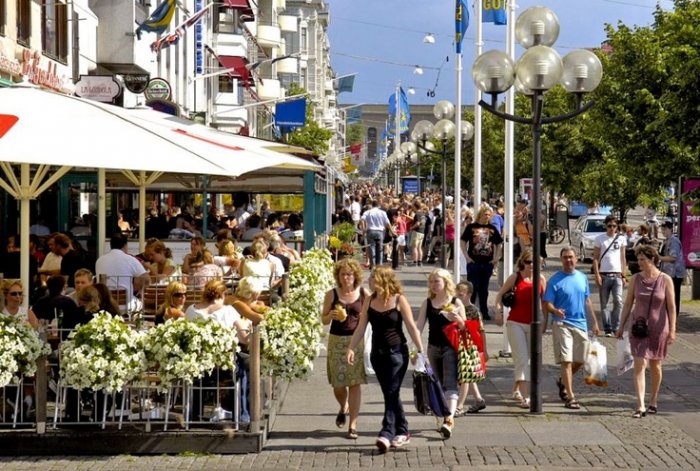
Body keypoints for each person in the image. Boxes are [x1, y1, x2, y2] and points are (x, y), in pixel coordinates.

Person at [346, 267, 425, 453]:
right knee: (391, 393)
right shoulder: (369, 300)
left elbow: (412, 327)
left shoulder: (399, 299)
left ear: (382, 279)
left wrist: (420, 350)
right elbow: (361, 326)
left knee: (391, 390)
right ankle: (403, 430)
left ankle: (387, 431)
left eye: (373, 277)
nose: (369, 280)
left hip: (397, 352)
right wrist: (351, 347)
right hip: (377, 353)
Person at [616, 245, 676, 418]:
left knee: (656, 365)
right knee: (640, 363)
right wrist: (621, 325)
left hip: (659, 328)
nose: (640, 262)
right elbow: (628, 303)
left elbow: (671, 307)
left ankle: (653, 399)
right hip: (638, 327)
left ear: (653, 260)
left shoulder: (665, 280)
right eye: (639, 259)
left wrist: (672, 329)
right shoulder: (635, 279)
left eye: (643, 259)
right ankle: (640, 404)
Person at [543, 247, 600, 410]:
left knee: (581, 359)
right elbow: (547, 303)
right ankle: (570, 396)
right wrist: (555, 311)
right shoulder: (555, 280)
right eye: (565, 257)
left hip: (580, 323)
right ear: (561, 260)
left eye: (571, 257)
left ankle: (562, 381)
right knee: (566, 360)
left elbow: (587, 300)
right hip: (562, 323)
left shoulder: (582, 278)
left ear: (576, 259)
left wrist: (594, 322)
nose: (568, 260)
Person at [321, 259, 368, 439]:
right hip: (336, 340)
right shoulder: (331, 294)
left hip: (355, 341)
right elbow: (323, 320)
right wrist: (330, 315)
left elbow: (374, 311)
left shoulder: (363, 293)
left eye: (349, 274)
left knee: (355, 382)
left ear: (355, 276)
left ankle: (353, 424)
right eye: (343, 275)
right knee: (338, 383)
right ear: (338, 277)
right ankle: (343, 406)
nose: (346, 278)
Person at [416, 268, 466, 438]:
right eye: (431, 281)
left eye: (436, 281)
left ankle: (449, 420)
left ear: (446, 282)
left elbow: (466, 327)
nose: (433, 285)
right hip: (433, 347)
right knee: (437, 384)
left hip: (451, 347)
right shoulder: (428, 303)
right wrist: (416, 349)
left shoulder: (455, 302)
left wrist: (457, 319)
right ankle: (446, 413)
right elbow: (419, 327)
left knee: (450, 383)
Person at [494, 249, 546, 408]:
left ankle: (516, 389)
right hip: (515, 322)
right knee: (522, 359)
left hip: (534, 323)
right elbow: (499, 296)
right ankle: (527, 397)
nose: (532, 265)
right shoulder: (515, 277)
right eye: (529, 262)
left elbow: (544, 302)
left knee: (531, 359)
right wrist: (498, 312)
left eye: (535, 263)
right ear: (523, 262)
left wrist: (545, 321)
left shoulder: (541, 279)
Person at [461, 206, 503, 321]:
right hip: (474, 262)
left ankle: (484, 311)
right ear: (481, 214)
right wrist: (466, 256)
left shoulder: (492, 228)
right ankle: (471, 311)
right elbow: (463, 241)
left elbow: (499, 243)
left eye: (489, 215)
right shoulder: (471, 227)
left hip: (487, 263)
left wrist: (496, 258)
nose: (487, 216)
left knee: (484, 289)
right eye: (485, 214)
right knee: (473, 287)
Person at [454, 281, 488, 414]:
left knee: (465, 375)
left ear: (469, 294)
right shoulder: (455, 307)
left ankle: (460, 405)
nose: (458, 298)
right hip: (459, 344)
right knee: (468, 373)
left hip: (469, 345)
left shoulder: (473, 310)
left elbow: (481, 330)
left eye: (461, 295)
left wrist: (483, 350)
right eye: (457, 295)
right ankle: (479, 399)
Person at [94, 233, 149, 313]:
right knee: (141, 304)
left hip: (105, 305)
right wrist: (135, 288)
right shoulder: (131, 260)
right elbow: (146, 279)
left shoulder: (99, 261)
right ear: (125, 245)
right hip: (127, 305)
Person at [592, 215, 627, 336]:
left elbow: (623, 258)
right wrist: (597, 275)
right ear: (605, 226)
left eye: (614, 226)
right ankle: (607, 328)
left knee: (618, 301)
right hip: (604, 275)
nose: (612, 228)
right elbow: (595, 258)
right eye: (609, 226)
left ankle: (616, 326)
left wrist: (624, 275)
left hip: (617, 274)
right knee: (604, 303)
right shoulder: (599, 239)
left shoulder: (621, 239)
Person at [659, 221, 685, 317]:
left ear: (671, 229)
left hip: (674, 274)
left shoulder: (674, 241)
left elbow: (673, 258)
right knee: (668, 296)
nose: (663, 231)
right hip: (667, 273)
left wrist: (660, 258)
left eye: (665, 229)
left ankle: (673, 317)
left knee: (673, 297)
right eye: (662, 229)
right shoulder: (666, 240)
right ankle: (668, 316)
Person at [361, 199, 394, 269]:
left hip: (371, 231)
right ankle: (380, 264)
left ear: (372, 205)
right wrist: (391, 231)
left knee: (371, 247)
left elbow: (362, 219)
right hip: (380, 231)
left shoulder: (368, 212)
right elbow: (387, 223)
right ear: (378, 205)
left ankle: (373, 265)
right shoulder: (382, 212)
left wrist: (364, 229)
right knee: (380, 248)